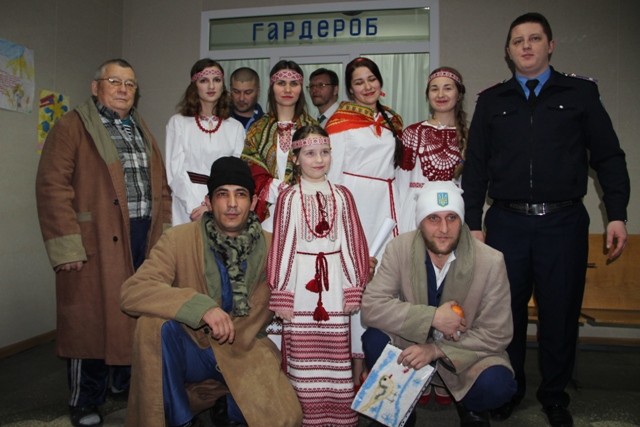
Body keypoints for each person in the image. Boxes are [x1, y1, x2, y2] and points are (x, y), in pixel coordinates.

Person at [461, 12, 630, 427]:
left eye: (534, 38)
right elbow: (476, 167)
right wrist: (474, 223)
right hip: (507, 224)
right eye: (518, 40)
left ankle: (555, 396)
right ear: (508, 51)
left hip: (563, 223)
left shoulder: (580, 93)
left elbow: (609, 157)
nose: (526, 46)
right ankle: (509, 389)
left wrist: (617, 214)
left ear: (550, 45)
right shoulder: (492, 101)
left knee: (560, 313)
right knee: (506, 315)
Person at [35, 59, 172, 427]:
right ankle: (85, 401)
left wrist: (163, 237)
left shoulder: (139, 127)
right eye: (115, 81)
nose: (123, 89)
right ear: (96, 87)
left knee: (134, 312)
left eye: (130, 83)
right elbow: (51, 187)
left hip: (141, 236)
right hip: (93, 239)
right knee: (89, 321)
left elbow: (160, 187)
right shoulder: (71, 126)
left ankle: (123, 385)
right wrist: (67, 247)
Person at [120, 156, 303, 427]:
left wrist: (354, 270)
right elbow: (134, 290)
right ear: (208, 201)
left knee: (288, 418)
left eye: (240, 194)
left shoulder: (274, 246)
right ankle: (182, 420)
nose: (232, 204)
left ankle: (224, 405)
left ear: (254, 202)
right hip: (194, 347)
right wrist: (201, 307)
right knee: (153, 325)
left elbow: (309, 280)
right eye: (222, 194)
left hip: (244, 350)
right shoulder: (178, 239)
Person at [361, 181, 517, 427]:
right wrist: (433, 317)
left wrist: (435, 350)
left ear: (462, 220)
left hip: (463, 353)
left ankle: (472, 407)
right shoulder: (400, 248)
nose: (444, 229)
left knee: (497, 384)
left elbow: (497, 332)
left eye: (452, 218)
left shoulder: (490, 261)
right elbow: (371, 307)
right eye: (433, 218)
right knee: (374, 339)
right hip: (410, 346)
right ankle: (400, 407)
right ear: (420, 222)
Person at [268, 126, 370, 427]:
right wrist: (282, 292)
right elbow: (283, 245)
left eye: (324, 152)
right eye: (310, 153)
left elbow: (352, 241)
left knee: (335, 353)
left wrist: (353, 286)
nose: (319, 159)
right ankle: (305, 417)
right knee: (302, 357)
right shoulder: (289, 197)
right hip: (301, 287)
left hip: (334, 285)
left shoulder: (342, 195)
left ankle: (338, 417)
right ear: (296, 158)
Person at [325, 57, 404, 388]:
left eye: (371, 79)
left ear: (380, 82)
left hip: (386, 205)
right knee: (353, 282)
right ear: (350, 89)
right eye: (359, 82)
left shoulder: (392, 120)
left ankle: (378, 364)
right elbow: (331, 173)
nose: (367, 86)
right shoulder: (339, 121)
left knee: (382, 283)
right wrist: (335, 218)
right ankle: (352, 368)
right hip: (355, 205)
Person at [166, 59, 245, 226]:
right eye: (204, 80)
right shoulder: (178, 122)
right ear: (194, 85)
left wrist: (213, 206)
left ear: (223, 85)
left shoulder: (235, 127)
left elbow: (235, 173)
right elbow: (175, 171)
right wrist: (194, 206)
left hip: (223, 203)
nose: (211, 86)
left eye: (216, 80)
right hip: (186, 205)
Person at [241, 60, 317, 233]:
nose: (287, 90)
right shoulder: (257, 129)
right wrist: (273, 187)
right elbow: (248, 166)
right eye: (281, 83)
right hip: (266, 215)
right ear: (272, 87)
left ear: (301, 88)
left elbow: (321, 167)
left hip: (304, 211)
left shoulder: (312, 129)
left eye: (294, 84)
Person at [397, 67, 467, 234]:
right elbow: (400, 182)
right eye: (434, 89)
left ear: (459, 94)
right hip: (416, 213)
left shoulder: (470, 137)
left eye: (447, 88)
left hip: (452, 214)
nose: (440, 94)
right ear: (427, 95)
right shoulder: (412, 133)